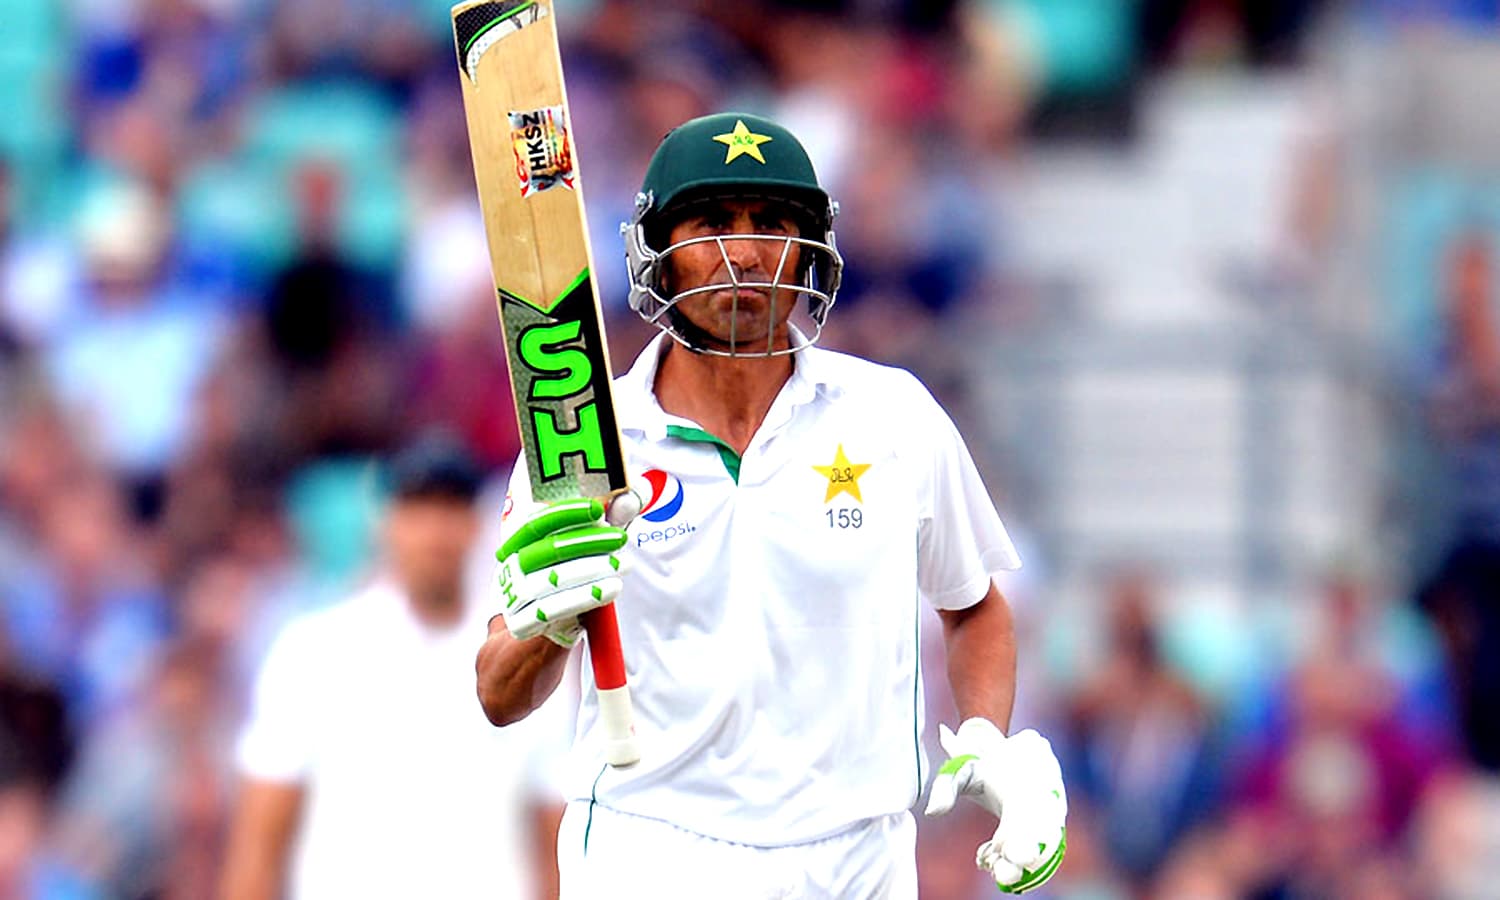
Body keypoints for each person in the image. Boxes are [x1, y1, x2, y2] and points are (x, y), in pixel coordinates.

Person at [476, 112, 1067, 897]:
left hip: (859, 856)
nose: (745, 254)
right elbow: (496, 694)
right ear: (659, 253)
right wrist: (544, 625)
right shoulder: (588, 437)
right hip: (653, 847)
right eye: (713, 222)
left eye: (771, 223)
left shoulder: (893, 415)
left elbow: (974, 606)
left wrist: (987, 736)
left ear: (810, 248)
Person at [220, 434, 569, 900]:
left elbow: (555, 842)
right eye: (418, 510)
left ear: (477, 525)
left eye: (451, 510)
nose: (435, 533)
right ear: (385, 522)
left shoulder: (523, 659)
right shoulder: (315, 652)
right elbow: (258, 846)